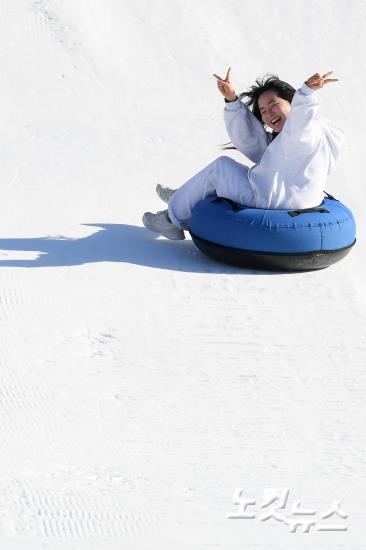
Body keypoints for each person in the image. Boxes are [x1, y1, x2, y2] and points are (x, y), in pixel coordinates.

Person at [142, 68, 344, 240]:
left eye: (274, 105)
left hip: (273, 199)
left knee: (221, 169)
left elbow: (301, 121)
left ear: (292, 102)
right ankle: (182, 196)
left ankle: (172, 219)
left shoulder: (304, 130)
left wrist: (307, 92)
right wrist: (231, 100)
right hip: (297, 197)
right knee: (235, 171)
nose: (268, 113)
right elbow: (254, 142)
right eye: (263, 111)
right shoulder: (291, 138)